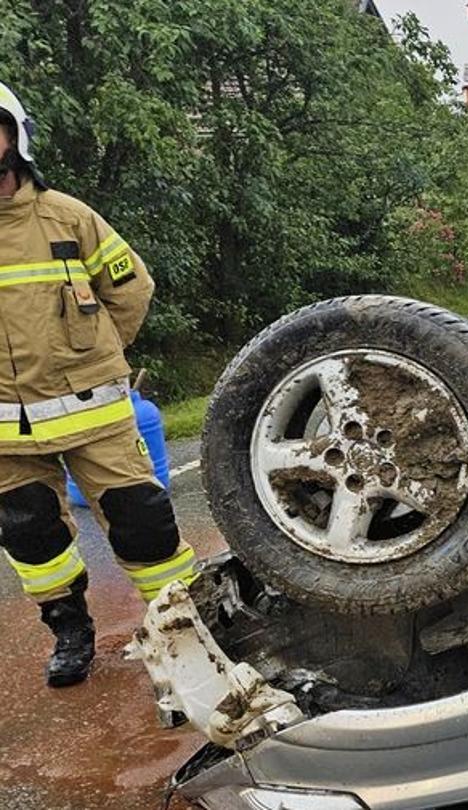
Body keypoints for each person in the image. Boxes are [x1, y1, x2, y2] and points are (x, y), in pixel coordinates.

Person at [0, 80, 196, 688]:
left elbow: (130, 289)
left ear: (14, 137)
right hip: (6, 427)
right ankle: (69, 631)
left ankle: (184, 633)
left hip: (96, 413)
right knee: (31, 534)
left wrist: (97, 357)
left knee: (143, 519)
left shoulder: (69, 217)